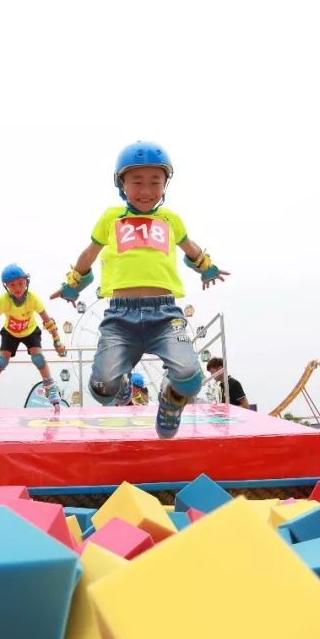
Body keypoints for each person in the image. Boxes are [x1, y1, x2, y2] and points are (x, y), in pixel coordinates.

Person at [51, 141, 228, 438]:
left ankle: (171, 400)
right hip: (120, 318)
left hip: (165, 314)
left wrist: (205, 266)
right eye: (137, 182)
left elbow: (190, 246)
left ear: (165, 185)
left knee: (190, 376)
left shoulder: (170, 219)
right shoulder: (111, 217)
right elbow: (89, 254)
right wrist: (72, 285)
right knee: (101, 388)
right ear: (121, 184)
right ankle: (122, 391)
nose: (146, 191)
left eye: (155, 182)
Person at [0, 264, 67, 410]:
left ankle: (51, 388)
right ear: (6, 287)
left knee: (39, 358)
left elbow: (47, 321)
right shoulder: (3, 300)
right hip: (10, 333)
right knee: (0, 362)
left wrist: (57, 341)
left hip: (30, 331)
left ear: (26, 282)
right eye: (12, 285)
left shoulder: (33, 299)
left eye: (21, 284)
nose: (17, 288)